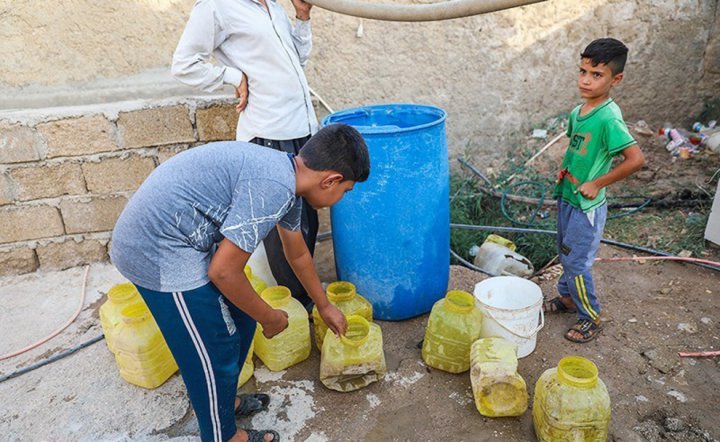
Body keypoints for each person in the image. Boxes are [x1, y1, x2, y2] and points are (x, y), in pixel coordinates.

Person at [110, 124, 370, 442]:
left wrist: (324, 305)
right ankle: (223, 436)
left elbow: (297, 253)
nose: (340, 199)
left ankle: (221, 403)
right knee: (213, 348)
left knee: (242, 318)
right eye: (344, 191)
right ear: (329, 179)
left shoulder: (288, 176)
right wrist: (270, 316)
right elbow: (223, 272)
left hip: (185, 240)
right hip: (157, 250)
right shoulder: (274, 186)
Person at [171, 0, 320, 308]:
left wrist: (302, 19)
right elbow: (184, 64)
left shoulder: (274, 7)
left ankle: (304, 294)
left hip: (301, 127)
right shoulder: (216, 7)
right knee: (281, 233)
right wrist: (232, 76)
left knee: (306, 221)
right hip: (269, 131)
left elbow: (296, 61)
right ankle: (296, 305)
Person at [545, 38, 646, 343]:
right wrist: (565, 170)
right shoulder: (578, 113)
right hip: (568, 196)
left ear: (616, 79)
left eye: (596, 75)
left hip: (587, 207)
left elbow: (636, 160)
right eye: (583, 72)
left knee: (576, 262)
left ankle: (591, 316)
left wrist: (597, 182)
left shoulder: (608, 117)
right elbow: (578, 149)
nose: (586, 80)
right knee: (565, 252)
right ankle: (566, 297)